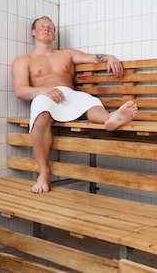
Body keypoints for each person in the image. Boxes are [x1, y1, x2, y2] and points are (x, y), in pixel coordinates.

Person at [12, 16, 138, 194]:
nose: (47, 29)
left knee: (90, 102)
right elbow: (21, 90)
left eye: (50, 27)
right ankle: (43, 172)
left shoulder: (66, 54)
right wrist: (44, 90)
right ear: (33, 32)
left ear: (54, 35)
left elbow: (93, 58)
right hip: (43, 95)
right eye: (42, 26)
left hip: (69, 94)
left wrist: (109, 57)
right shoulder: (24, 60)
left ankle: (111, 118)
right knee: (41, 116)